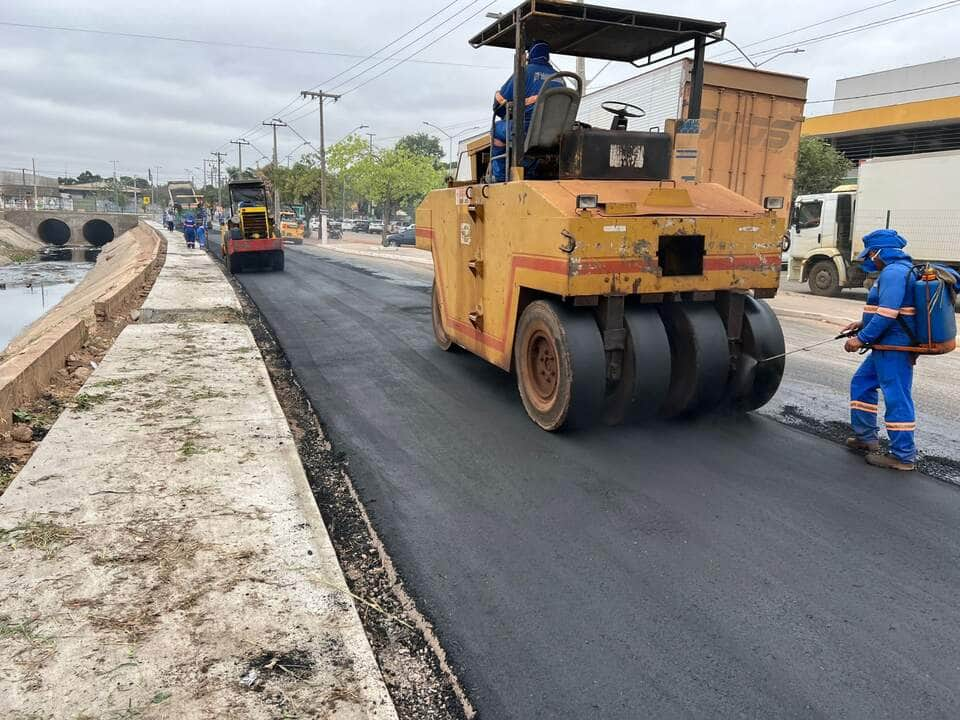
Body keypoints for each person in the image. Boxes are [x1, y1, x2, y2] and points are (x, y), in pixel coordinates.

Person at [842, 229, 917, 471]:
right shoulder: (896, 270)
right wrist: (862, 323)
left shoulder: (894, 273)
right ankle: (866, 438)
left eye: (870, 254)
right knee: (862, 383)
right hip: (885, 343)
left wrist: (860, 339)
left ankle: (903, 456)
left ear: (878, 252)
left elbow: (888, 313)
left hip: (894, 346)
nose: (869, 259)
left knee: (897, 396)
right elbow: (890, 310)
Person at [490, 40, 562, 182]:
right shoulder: (560, 78)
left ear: (530, 55)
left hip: (527, 129)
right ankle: (531, 170)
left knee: (496, 129)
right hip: (555, 133)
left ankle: (499, 177)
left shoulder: (525, 71)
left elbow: (499, 102)